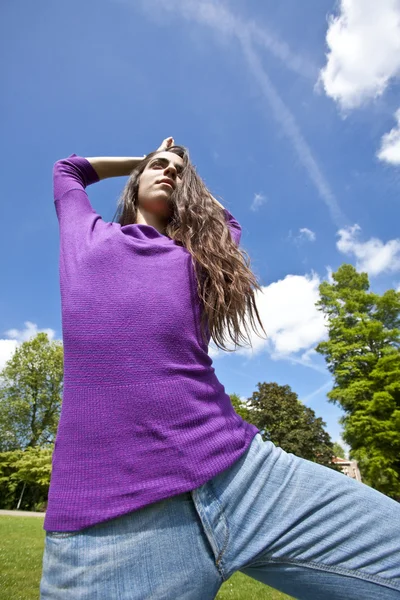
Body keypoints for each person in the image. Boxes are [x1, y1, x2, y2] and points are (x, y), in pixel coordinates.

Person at [40, 137, 400, 599]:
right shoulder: (86, 237)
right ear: (134, 182)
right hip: (112, 521)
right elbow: (68, 170)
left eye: (176, 170)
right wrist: (146, 158)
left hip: (249, 478)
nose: (168, 172)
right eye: (159, 167)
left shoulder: (197, 261)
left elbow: (227, 221)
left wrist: (185, 175)